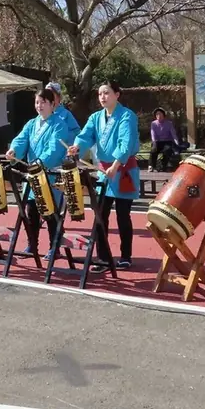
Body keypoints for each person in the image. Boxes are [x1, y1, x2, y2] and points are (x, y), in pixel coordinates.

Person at [67, 80, 139, 271]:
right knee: (100, 214)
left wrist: (116, 164)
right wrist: (77, 147)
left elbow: (126, 142)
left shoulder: (127, 116)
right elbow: (85, 136)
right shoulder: (95, 117)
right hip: (104, 172)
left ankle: (125, 256)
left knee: (123, 215)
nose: (103, 97)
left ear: (117, 94)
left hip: (123, 170)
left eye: (106, 93)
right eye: (100, 94)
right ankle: (103, 257)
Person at [6, 88, 73, 259]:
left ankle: (54, 247)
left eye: (43, 102)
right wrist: (14, 150)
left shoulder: (59, 124)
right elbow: (21, 140)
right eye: (37, 102)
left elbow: (55, 148)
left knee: (51, 212)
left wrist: (40, 163)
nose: (39, 106)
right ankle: (32, 244)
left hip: (49, 175)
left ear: (52, 104)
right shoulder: (31, 124)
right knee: (31, 212)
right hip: (33, 175)